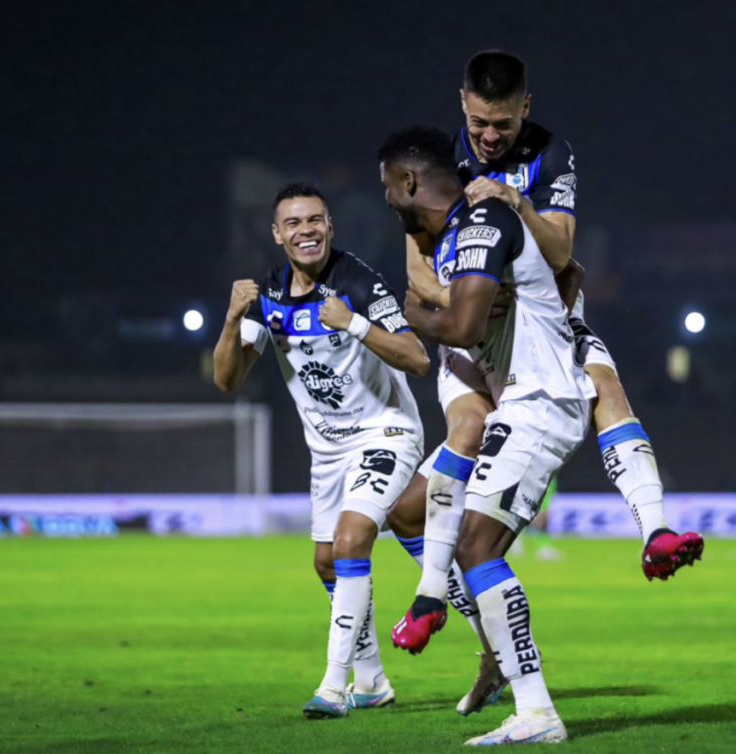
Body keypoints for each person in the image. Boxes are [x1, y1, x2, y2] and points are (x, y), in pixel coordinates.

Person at [387, 50, 703, 708]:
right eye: (479, 121)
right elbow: (416, 266)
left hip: (543, 319)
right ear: (462, 105)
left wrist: (515, 205)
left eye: (502, 123)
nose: (490, 136)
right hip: (478, 328)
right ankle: (460, 623)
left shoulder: (550, 154)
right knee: (459, 440)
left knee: (604, 382)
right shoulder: (441, 162)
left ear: (525, 108)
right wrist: (467, 290)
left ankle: (654, 532)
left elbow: (562, 251)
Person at [380, 124, 593, 745]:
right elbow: (570, 273)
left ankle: (535, 709)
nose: (387, 199)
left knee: (477, 547)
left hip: (538, 402)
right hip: (520, 403)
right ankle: (502, 672)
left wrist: (420, 314)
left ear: (409, 182)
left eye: (388, 187)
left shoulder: (484, 223)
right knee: (429, 522)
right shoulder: (457, 231)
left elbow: (463, 325)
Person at [212, 183, 430, 719]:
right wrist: (231, 318)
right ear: (277, 234)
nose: (305, 230)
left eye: (315, 220)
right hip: (328, 453)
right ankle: (375, 679)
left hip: (386, 432)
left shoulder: (356, 281)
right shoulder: (268, 294)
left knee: (350, 541)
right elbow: (227, 379)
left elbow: (417, 357)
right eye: (293, 222)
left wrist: (353, 322)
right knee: (326, 564)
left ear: (330, 226)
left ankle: (334, 687)